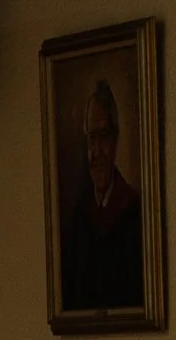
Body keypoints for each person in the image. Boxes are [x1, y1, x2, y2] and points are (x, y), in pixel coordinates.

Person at [60, 77, 144, 312]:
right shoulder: (78, 219)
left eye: (103, 136)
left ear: (116, 140)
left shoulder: (135, 212)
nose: (96, 152)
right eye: (91, 138)